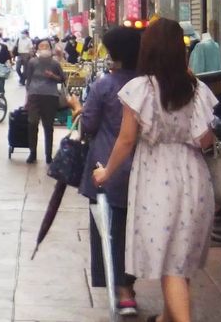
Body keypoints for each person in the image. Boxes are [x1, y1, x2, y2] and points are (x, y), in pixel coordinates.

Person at [93, 19, 217, 322]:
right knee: (181, 256)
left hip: (156, 178)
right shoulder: (196, 87)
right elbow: (205, 139)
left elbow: (126, 139)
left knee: (170, 264)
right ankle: (166, 318)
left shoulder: (140, 88)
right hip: (193, 176)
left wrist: (106, 173)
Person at [67, 26, 143, 317]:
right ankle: (129, 286)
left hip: (106, 166)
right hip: (142, 167)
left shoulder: (105, 85)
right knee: (133, 230)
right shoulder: (148, 83)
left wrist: (77, 107)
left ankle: (121, 290)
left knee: (109, 230)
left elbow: (89, 126)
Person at [24, 38, 65, 164]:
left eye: (46, 46)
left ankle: (48, 155)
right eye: (41, 46)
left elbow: (62, 79)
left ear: (50, 48)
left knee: (48, 126)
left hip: (50, 96)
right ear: (37, 48)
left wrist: (52, 76)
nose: (44, 48)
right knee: (32, 123)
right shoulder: (32, 62)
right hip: (34, 96)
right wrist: (27, 98)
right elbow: (28, 80)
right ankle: (33, 153)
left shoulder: (55, 63)